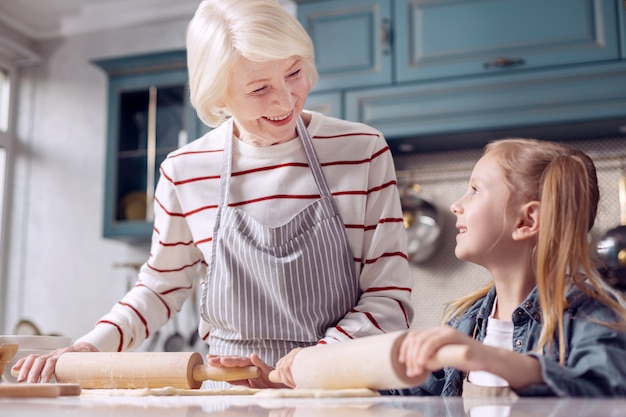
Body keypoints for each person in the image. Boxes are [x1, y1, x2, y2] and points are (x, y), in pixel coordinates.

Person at [13, 0, 413, 388]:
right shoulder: (185, 171)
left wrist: (312, 364)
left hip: (333, 388)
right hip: (229, 392)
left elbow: (389, 296)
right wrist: (89, 347)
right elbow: (159, 288)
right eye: (259, 89)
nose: (285, 99)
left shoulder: (361, 150)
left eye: (293, 73)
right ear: (218, 96)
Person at [390, 138, 626, 397]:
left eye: (475, 190)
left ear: (526, 220)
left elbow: (607, 392)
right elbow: (410, 398)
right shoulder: (467, 323)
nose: (455, 205)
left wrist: (489, 358)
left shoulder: (590, 316)